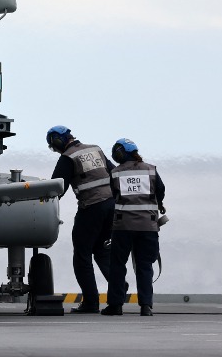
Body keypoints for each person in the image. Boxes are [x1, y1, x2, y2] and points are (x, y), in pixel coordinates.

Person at [47, 125, 116, 314]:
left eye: (53, 146)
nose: (55, 149)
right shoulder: (95, 149)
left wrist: (41, 202)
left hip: (91, 207)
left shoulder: (68, 157)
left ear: (57, 141)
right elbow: (114, 173)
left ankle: (91, 303)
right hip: (111, 206)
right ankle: (118, 287)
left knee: (82, 256)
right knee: (102, 250)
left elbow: (57, 187)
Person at [102, 139, 166, 317]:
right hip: (148, 226)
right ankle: (146, 306)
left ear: (121, 153)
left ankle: (115, 305)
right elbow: (160, 191)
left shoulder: (115, 173)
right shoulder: (151, 170)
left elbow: (114, 195)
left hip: (123, 226)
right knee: (145, 265)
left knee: (117, 265)